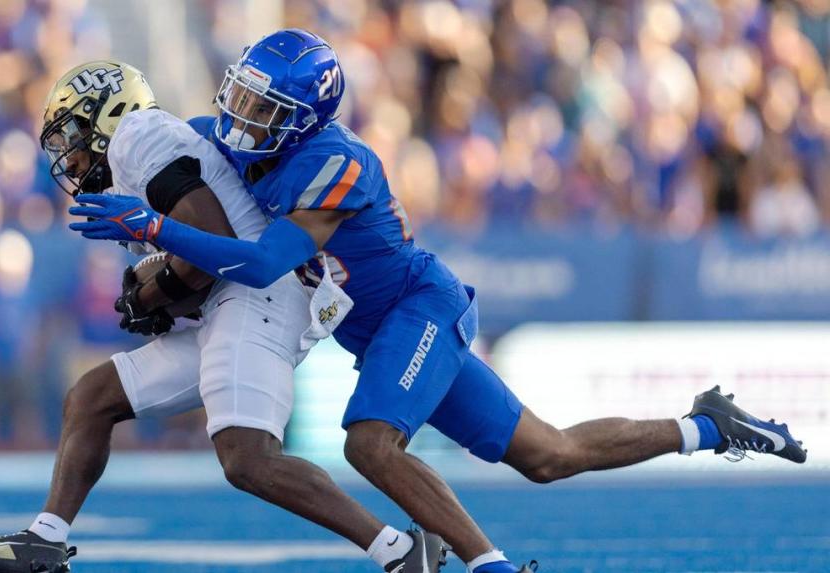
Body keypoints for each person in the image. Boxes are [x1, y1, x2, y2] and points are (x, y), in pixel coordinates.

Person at [69, 30, 808, 573]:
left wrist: (154, 227)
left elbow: (263, 262)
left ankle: (487, 564)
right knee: (549, 454)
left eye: (262, 108)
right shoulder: (231, 142)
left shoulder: (337, 162)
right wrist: (152, 262)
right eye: (239, 94)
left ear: (302, 117)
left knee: (368, 442)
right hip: (378, 329)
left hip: (417, 310)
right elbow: (189, 185)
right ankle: (708, 425)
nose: (239, 115)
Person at [0, 60, 448, 573]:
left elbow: (215, 244)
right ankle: (46, 540)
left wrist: (154, 294)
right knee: (93, 398)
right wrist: (159, 298)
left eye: (75, 133)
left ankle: (402, 552)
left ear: (110, 114)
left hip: (259, 296)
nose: (69, 156)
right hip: (233, 299)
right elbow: (198, 257)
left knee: (247, 457)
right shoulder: (134, 162)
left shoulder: (138, 137)